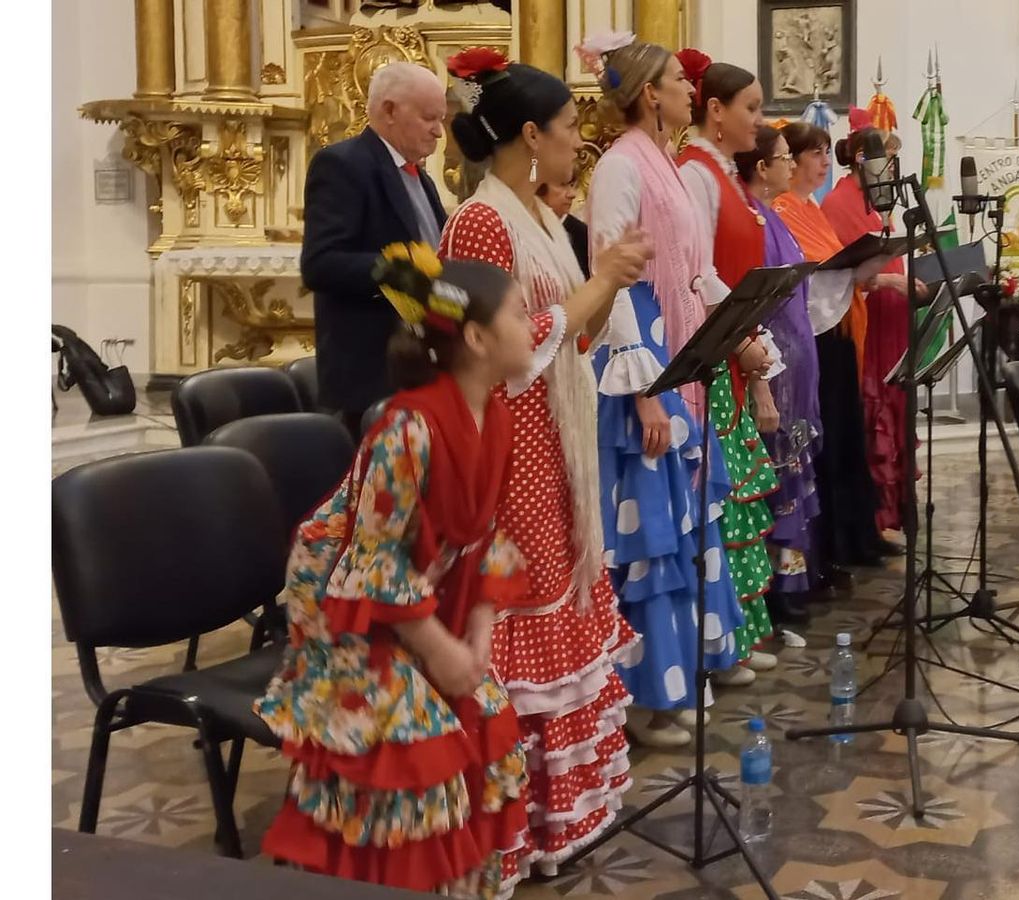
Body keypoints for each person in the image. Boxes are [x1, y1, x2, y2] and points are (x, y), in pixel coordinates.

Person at [256, 246, 532, 897]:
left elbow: (483, 539)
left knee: (488, 712)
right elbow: (369, 560)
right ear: (475, 336)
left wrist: (478, 638)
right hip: (346, 614)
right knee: (417, 745)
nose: (534, 324)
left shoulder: (495, 418)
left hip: (416, 600)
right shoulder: (408, 428)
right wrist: (438, 648)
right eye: (521, 314)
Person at [437, 50, 653, 878]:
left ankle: (565, 817)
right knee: (525, 621)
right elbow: (504, 351)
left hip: (553, 443)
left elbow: (573, 328)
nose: (577, 148)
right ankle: (514, 831)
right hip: (507, 453)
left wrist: (603, 290)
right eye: (568, 132)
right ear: (530, 136)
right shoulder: (480, 223)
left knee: (564, 605)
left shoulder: (528, 213)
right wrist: (599, 282)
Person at [579, 32, 748, 749]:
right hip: (638, 363)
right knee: (646, 536)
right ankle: (644, 698)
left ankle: (690, 667)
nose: (689, 90)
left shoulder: (669, 164)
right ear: (650, 94)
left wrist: (745, 327)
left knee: (683, 520)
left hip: (675, 356)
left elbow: (694, 270)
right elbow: (611, 275)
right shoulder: (620, 166)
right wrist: (643, 390)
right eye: (680, 81)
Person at [675, 52, 797, 640]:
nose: (762, 119)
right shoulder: (697, 174)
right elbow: (696, 273)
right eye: (753, 107)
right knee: (723, 504)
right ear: (716, 111)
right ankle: (720, 640)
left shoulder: (721, 173)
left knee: (741, 505)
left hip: (737, 350)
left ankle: (738, 635)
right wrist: (744, 343)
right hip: (716, 356)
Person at [302, 62, 449, 439]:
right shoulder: (342, 164)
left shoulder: (420, 176)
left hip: (419, 366)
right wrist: (401, 271)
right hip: (370, 372)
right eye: (429, 117)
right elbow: (320, 265)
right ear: (389, 110)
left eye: (441, 118)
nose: (439, 130)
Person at [772, 121, 891, 578]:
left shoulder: (812, 207)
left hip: (837, 329)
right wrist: (847, 270)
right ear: (794, 161)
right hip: (815, 336)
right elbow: (804, 273)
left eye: (826, 153)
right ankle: (832, 547)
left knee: (847, 437)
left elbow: (832, 264)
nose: (825, 162)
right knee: (828, 441)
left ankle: (858, 537)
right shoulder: (783, 209)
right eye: (815, 154)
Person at [733, 125, 822, 617]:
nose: (791, 165)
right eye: (784, 158)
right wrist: (762, 383)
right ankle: (776, 590)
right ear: (761, 168)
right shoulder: (756, 224)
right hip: (776, 367)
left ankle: (793, 581)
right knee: (776, 477)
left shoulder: (774, 217)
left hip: (796, 360)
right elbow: (757, 308)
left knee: (794, 468)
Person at [822, 126, 920, 548]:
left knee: (897, 409)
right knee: (872, 414)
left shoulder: (874, 201)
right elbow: (839, 270)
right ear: (862, 158)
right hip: (867, 323)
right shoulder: (837, 202)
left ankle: (894, 511)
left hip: (892, 324)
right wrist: (890, 282)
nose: (892, 168)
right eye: (886, 159)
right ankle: (874, 516)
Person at [540, 175, 591, 279]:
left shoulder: (581, 233)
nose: (572, 194)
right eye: (562, 185)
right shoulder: (516, 227)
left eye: (572, 185)